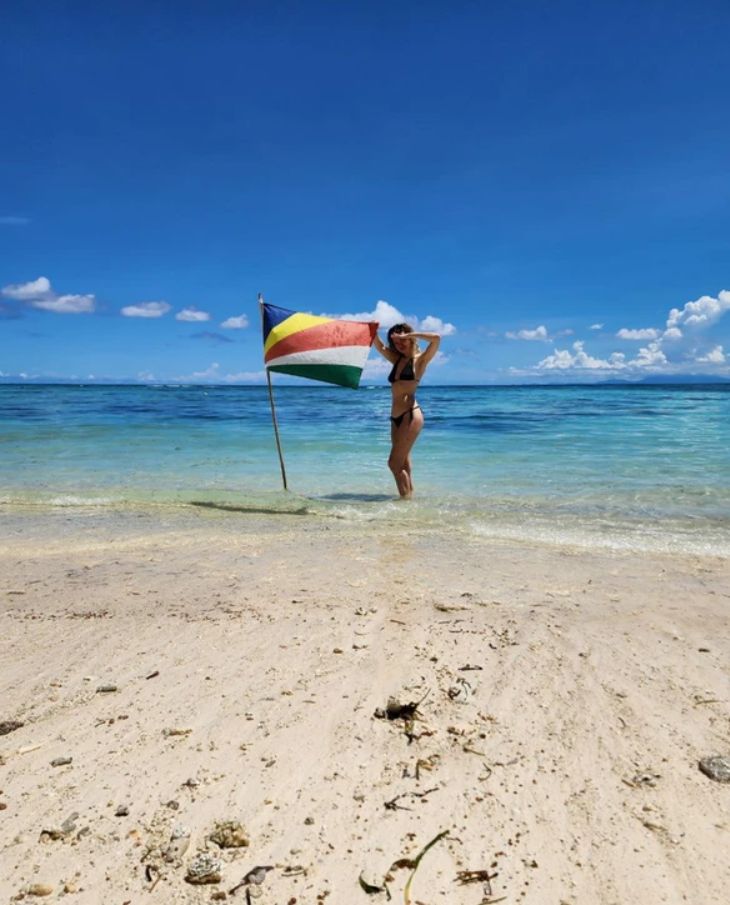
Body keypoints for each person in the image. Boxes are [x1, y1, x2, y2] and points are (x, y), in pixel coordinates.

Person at [372, 323, 441, 498]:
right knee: (403, 463)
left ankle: (404, 503)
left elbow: (436, 339)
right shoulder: (397, 360)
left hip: (410, 414)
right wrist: (371, 329)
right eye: (395, 342)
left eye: (403, 340)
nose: (399, 344)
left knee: (393, 464)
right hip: (395, 417)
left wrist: (409, 334)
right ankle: (409, 499)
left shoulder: (420, 360)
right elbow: (378, 345)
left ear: (411, 339)